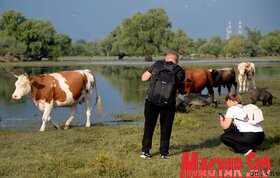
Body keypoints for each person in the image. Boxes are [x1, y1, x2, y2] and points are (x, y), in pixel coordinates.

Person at [140, 51, 185, 159]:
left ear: (166, 58)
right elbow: (181, 88)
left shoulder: (157, 65)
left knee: (149, 126)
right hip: (168, 104)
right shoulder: (179, 70)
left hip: (152, 101)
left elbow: (143, 78)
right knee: (166, 128)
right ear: (176, 60)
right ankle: (164, 153)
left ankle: (145, 151)